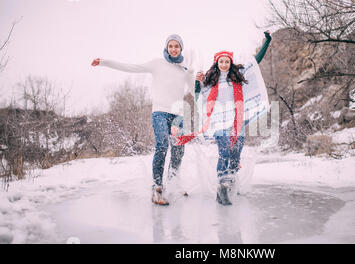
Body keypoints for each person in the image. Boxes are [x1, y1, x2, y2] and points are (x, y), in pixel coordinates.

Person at [91, 34, 194, 206]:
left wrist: (194, 77)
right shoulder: (157, 64)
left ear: (181, 49)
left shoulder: (185, 69)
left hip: (178, 115)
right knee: (162, 145)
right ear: (167, 48)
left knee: (178, 150)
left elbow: (195, 91)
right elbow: (131, 67)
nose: (174, 49)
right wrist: (104, 61)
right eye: (171, 46)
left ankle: (174, 182)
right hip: (160, 112)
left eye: (177, 46)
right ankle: (157, 187)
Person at [176, 31, 272, 205]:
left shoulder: (237, 76)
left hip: (237, 121)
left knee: (236, 152)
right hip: (218, 122)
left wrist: (267, 41)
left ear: (230, 62)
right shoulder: (210, 79)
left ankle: (231, 181)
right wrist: (197, 83)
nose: (224, 64)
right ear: (217, 62)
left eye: (227, 61)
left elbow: (255, 61)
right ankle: (222, 182)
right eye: (221, 61)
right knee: (225, 151)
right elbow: (198, 97)